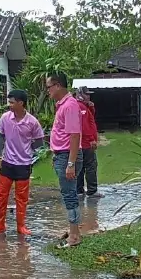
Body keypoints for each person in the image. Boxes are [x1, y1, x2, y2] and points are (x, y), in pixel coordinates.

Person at [0, 89, 46, 236]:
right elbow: (0, 138)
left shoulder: (32, 122)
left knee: (21, 198)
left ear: (21, 103)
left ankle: (21, 226)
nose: (9, 105)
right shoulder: (5, 118)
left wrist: (28, 149)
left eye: (12, 102)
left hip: (24, 164)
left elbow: (39, 141)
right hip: (7, 163)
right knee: (1, 195)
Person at [46, 72, 83, 248]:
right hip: (62, 155)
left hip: (68, 155)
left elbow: (74, 135)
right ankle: (73, 229)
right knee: (68, 193)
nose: (48, 91)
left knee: (69, 194)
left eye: (49, 87)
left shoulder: (69, 105)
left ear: (58, 85)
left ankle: (74, 235)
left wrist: (70, 163)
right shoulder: (63, 105)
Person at [75, 87, 100, 198]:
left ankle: (79, 190)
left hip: (81, 143)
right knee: (90, 166)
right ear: (80, 94)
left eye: (89, 94)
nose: (88, 96)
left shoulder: (84, 106)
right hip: (85, 142)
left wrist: (91, 107)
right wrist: (91, 139)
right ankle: (92, 190)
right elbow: (84, 126)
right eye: (86, 94)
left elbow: (91, 119)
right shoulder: (81, 107)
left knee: (80, 166)